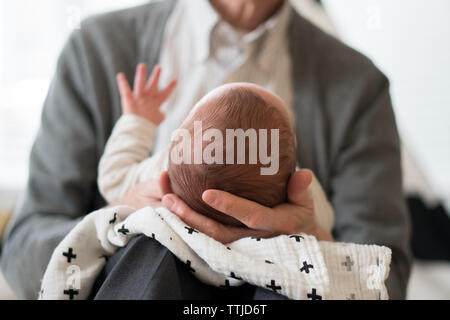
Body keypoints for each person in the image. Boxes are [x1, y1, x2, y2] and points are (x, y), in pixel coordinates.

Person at [0, 0, 411, 299]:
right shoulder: (97, 51)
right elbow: (22, 250)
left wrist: (309, 241)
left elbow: (383, 274)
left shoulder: (358, 86)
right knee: (147, 257)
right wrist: (119, 221)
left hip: (274, 274)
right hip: (149, 259)